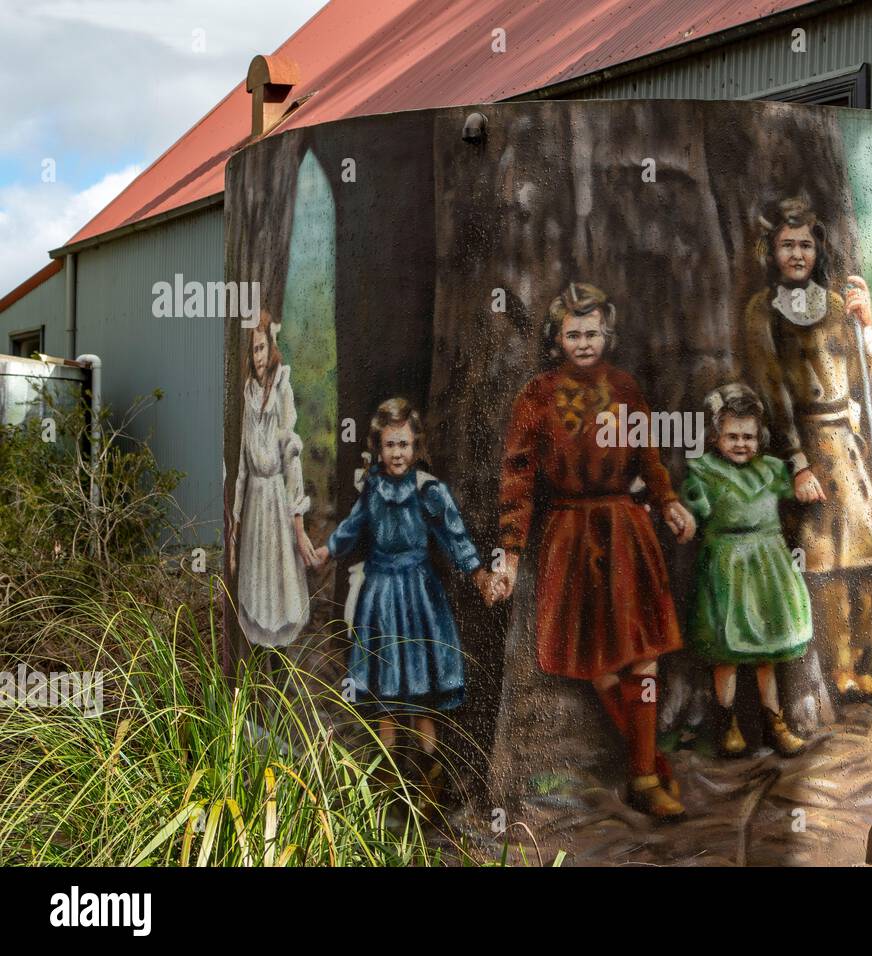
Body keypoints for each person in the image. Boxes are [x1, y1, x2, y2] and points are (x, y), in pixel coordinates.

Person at [494, 281, 696, 822]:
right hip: (568, 533)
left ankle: (644, 777)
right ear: (557, 338)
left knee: (642, 653)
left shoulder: (625, 388)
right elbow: (517, 477)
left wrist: (669, 502)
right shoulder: (537, 396)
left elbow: (649, 459)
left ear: (607, 333)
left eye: (593, 332)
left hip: (627, 530)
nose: (584, 342)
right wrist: (510, 552)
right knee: (596, 662)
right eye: (572, 333)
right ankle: (647, 759)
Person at [743, 197, 872, 701]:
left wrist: (866, 328)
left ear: (817, 248)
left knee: (870, 553)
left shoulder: (833, 306)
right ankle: (837, 669)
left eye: (805, 244)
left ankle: (868, 660)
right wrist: (797, 464)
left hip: (846, 444)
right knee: (823, 564)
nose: (797, 254)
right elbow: (771, 389)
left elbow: (861, 379)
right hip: (805, 444)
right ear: (772, 251)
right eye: (787, 245)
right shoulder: (762, 312)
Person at [312, 397, 495, 804]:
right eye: (390, 445)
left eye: (404, 445)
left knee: (420, 691)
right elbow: (352, 527)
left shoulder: (428, 491)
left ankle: (430, 774)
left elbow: (454, 534)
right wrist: (326, 550)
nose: (397, 453)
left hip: (417, 597)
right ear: (378, 448)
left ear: (416, 447)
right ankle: (389, 774)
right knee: (385, 690)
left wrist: (477, 571)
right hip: (379, 594)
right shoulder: (373, 490)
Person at [680, 382, 812, 758]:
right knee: (728, 651)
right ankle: (727, 722)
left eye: (749, 437)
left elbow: (794, 497)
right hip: (725, 567)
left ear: (761, 437)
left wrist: (805, 482)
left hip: (768, 565)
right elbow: (694, 508)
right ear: (716, 436)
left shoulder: (771, 469)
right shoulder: (704, 470)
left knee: (766, 650)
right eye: (732, 436)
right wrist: (685, 516)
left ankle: (775, 722)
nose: (742, 444)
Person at [229, 311, 314, 648]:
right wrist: (236, 519)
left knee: (280, 571)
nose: (259, 357)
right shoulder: (249, 393)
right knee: (256, 573)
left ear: (272, 348)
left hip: (276, 494)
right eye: (254, 351)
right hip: (255, 498)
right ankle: (258, 648)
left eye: (263, 348)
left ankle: (280, 651)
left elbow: (291, 457)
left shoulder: (282, 388)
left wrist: (298, 521)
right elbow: (242, 465)